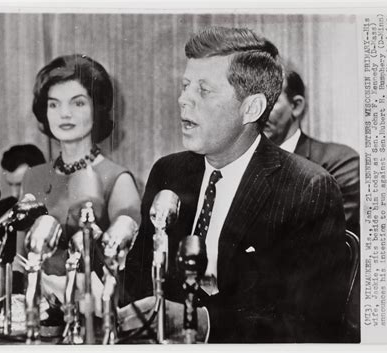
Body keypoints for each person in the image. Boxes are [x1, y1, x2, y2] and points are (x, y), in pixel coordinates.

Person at [122, 27, 349, 343]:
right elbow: (137, 279)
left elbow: (309, 321)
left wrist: (200, 322)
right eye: (185, 86)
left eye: (204, 90)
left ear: (251, 108)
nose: (183, 99)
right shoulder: (169, 171)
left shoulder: (307, 189)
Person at [16, 54, 141, 282]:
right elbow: (20, 261)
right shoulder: (34, 177)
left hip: (93, 311)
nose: (65, 113)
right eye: (54, 104)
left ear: (98, 109)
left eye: (78, 102)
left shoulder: (118, 179)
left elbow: (124, 275)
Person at [264, 69, 360, 236]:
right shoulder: (238, 162)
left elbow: (321, 242)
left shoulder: (340, 162)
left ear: (296, 106)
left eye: (269, 100)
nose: (257, 112)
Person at [0, 144, 47, 279]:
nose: (15, 193)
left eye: (21, 184)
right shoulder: (10, 208)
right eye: (11, 185)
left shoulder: (54, 209)